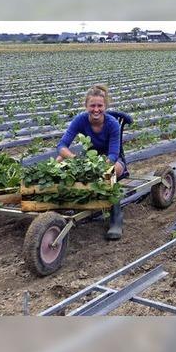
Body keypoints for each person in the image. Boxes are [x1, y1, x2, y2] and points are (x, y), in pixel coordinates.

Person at [57, 84, 126, 240]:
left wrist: (101, 168)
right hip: (89, 159)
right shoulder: (80, 120)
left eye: (100, 106)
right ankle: (60, 201)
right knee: (60, 159)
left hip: (111, 159)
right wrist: (75, 159)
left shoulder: (112, 124)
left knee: (112, 171)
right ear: (86, 106)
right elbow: (61, 145)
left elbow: (114, 154)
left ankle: (115, 218)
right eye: (92, 105)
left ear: (105, 106)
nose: (96, 109)